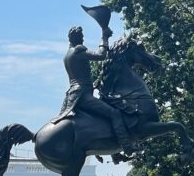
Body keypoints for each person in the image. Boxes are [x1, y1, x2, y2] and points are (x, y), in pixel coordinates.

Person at [51, 26, 140, 156]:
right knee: (114, 113)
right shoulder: (78, 51)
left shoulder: (68, 55)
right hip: (82, 95)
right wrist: (104, 37)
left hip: (73, 95)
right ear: (78, 39)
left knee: (101, 119)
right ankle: (126, 146)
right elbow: (101, 55)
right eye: (81, 37)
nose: (82, 39)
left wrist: (94, 84)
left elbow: (79, 77)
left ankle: (113, 152)